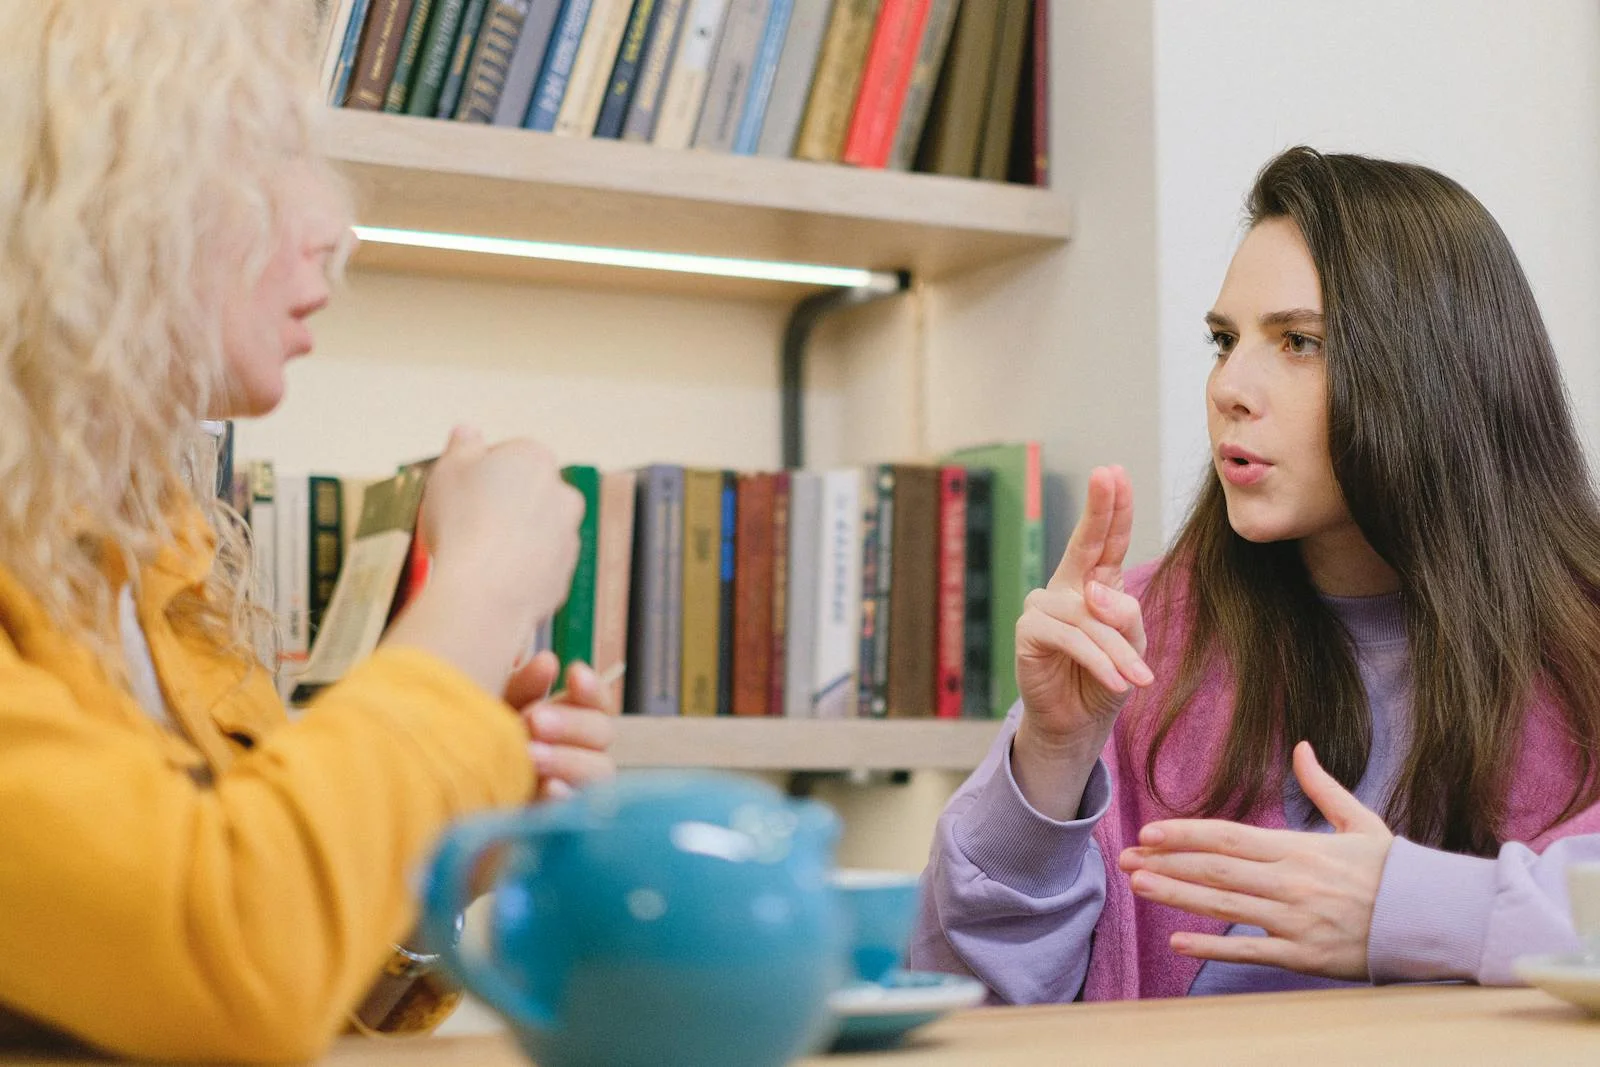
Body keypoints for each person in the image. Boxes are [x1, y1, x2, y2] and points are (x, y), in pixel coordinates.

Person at [0, 1, 616, 1058]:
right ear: (99, 191)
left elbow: (288, 987)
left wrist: (444, 852)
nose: (338, 228)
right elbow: (224, 959)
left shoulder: (157, 564)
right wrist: (477, 592)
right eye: (271, 152)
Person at [912, 146, 1600, 1003]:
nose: (1230, 385)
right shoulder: (1136, 633)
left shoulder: (1582, 642)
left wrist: (1409, 909)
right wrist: (1049, 758)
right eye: (1224, 340)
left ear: (1435, 369)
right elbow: (958, 997)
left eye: (1299, 341)